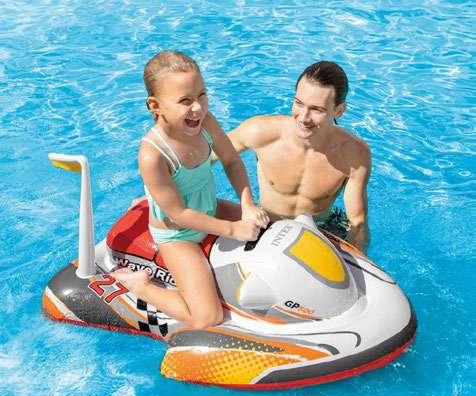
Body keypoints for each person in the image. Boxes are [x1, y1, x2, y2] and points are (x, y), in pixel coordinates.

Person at [112, 51, 269, 330]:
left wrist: (248, 204)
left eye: (202, 95)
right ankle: (142, 286)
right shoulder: (153, 155)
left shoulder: (206, 124)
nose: (198, 107)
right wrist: (233, 229)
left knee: (276, 224)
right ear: (155, 106)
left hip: (210, 207)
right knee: (207, 317)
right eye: (185, 100)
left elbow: (232, 160)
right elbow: (179, 214)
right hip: (179, 234)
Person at [224, 61, 371, 251]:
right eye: (299, 103)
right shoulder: (260, 132)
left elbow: (357, 222)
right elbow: (204, 156)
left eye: (317, 109)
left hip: (322, 229)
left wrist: (355, 258)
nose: (303, 117)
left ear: (339, 110)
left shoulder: (354, 155)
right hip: (267, 223)